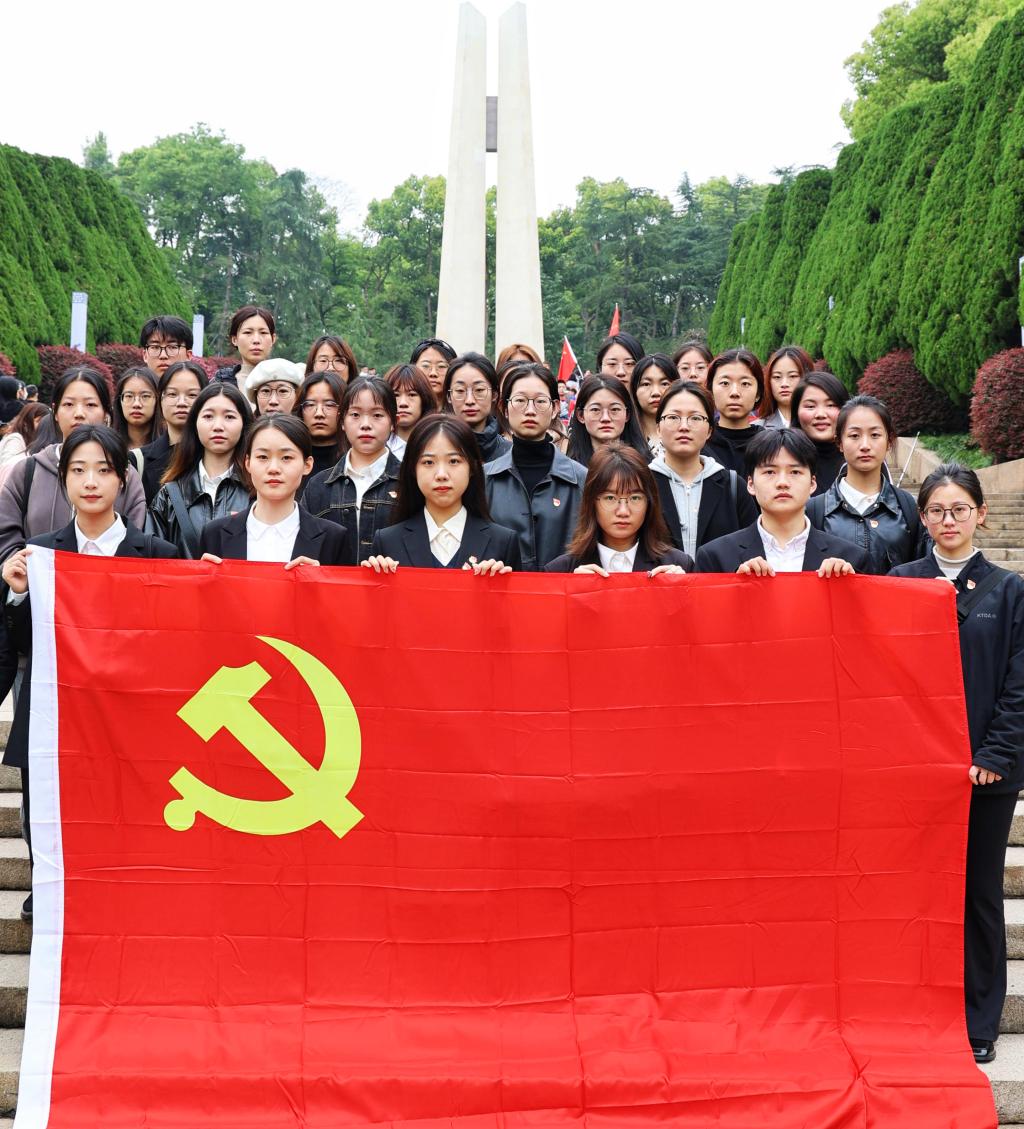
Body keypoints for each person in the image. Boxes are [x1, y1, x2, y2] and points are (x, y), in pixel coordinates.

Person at [1, 424, 177, 922]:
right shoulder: (39, 553)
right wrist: (16, 594)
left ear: (123, 478)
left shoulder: (157, 555)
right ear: (64, 480)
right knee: (48, 813)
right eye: (78, 471)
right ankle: (50, 893)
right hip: (55, 715)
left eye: (103, 470)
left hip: (129, 719)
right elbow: (20, 645)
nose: (91, 481)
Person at [890, 464, 1024, 1065]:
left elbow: (1019, 685)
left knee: (978, 893)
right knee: (913, 892)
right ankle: (915, 1009)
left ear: (981, 514)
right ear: (922, 518)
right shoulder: (901, 582)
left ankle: (979, 1018)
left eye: (960, 509)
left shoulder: (1008, 589)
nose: (949, 520)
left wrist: (995, 755)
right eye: (938, 510)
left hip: (986, 774)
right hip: (917, 773)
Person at [0, 367, 147, 560]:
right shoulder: (28, 470)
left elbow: (135, 538)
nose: (79, 413)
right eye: (68, 404)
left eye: (90, 405)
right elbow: (5, 533)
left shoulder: (124, 473)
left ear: (106, 413)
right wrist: (22, 568)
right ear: (55, 412)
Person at [695, 428, 869, 575]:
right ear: (751, 484)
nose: (782, 482)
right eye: (770, 472)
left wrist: (846, 585)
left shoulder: (850, 559)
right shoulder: (715, 557)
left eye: (795, 472)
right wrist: (736, 587)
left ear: (812, 484)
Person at [363, 415, 521, 573]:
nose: (441, 475)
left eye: (453, 461)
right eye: (428, 462)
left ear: (472, 467)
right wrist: (375, 575)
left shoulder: (503, 542)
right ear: (413, 469)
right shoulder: (388, 542)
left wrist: (500, 581)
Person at [199, 415, 347, 566]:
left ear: (307, 465)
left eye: (286, 457)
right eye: (263, 457)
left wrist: (320, 577)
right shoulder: (214, 534)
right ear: (248, 463)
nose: (273, 468)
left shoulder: (333, 538)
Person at [806, 395, 928, 574]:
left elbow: (923, 573)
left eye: (875, 435)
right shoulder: (814, 511)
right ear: (839, 442)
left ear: (889, 441)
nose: (865, 445)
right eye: (854, 436)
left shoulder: (908, 508)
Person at [483, 363, 587, 571]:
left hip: (563, 589)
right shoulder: (484, 479)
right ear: (504, 408)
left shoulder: (581, 479)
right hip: (500, 588)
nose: (530, 410)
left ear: (555, 408)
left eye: (540, 401)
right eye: (520, 400)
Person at [299, 376, 402, 565]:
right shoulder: (319, 485)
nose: (365, 424)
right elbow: (305, 543)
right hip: (332, 584)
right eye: (355, 414)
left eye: (377, 415)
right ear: (342, 421)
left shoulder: (410, 482)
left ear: (394, 422)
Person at [650, 380, 758, 559]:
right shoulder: (641, 484)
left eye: (695, 418)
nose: (684, 426)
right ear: (658, 428)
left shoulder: (732, 486)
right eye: (673, 417)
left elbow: (753, 548)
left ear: (709, 431)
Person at [546, 444, 693, 575]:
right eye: (610, 498)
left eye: (635, 498)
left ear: (649, 502)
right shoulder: (561, 571)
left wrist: (682, 589)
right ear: (591, 501)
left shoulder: (677, 565)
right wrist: (571, 590)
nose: (623, 511)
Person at [147, 382, 253, 558]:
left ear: (244, 424)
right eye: (208, 416)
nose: (218, 426)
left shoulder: (257, 492)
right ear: (195, 424)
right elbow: (153, 559)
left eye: (229, 417)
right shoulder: (170, 496)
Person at [137, 361, 210, 503]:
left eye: (192, 395)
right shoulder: (139, 460)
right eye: (172, 394)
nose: (181, 402)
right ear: (160, 399)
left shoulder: (216, 457)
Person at [703, 349, 765, 475]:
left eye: (745, 383)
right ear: (711, 391)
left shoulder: (769, 445)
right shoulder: (699, 443)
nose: (734, 392)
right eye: (725, 383)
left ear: (758, 393)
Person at [441, 353, 511, 464]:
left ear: (494, 395)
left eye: (479, 390)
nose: (469, 401)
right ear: (449, 396)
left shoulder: (510, 454)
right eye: (460, 390)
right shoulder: (433, 448)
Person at [567, 375, 649, 467]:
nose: (605, 418)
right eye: (595, 410)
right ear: (581, 415)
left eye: (614, 409)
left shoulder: (646, 467)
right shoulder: (569, 470)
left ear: (627, 414)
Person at [789, 371, 850, 495]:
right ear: (796, 412)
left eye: (831, 405)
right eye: (810, 406)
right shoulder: (782, 457)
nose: (821, 414)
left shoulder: (862, 456)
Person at [294, 370, 345, 480]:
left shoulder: (354, 459)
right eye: (310, 405)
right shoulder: (290, 457)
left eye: (329, 405)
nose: (319, 414)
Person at [214, 305, 276, 386]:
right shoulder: (220, 382)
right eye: (248, 332)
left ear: (273, 339)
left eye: (263, 333)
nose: (256, 340)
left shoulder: (286, 380)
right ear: (234, 340)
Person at [385, 364, 436, 456]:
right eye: (396, 395)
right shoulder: (375, 446)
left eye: (412, 395)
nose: (403, 403)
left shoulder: (438, 442)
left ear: (424, 399)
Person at [630, 354, 677, 455]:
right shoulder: (625, 440)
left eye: (664, 384)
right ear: (634, 391)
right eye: (646, 384)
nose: (656, 392)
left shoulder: (688, 435)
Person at [759, 345, 813, 430]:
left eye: (792, 376)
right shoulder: (758, 430)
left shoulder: (820, 425)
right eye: (777, 377)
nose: (784, 384)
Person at [111, 366, 163, 450]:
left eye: (145, 396)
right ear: (120, 400)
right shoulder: (108, 446)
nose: (136, 404)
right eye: (129, 396)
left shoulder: (170, 447)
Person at [0, 403, 47, 487]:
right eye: (38, 421)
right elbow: (9, 470)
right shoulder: (15, 439)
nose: (42, 425)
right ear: (26, 421)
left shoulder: (29, 439)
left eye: (45, 422)